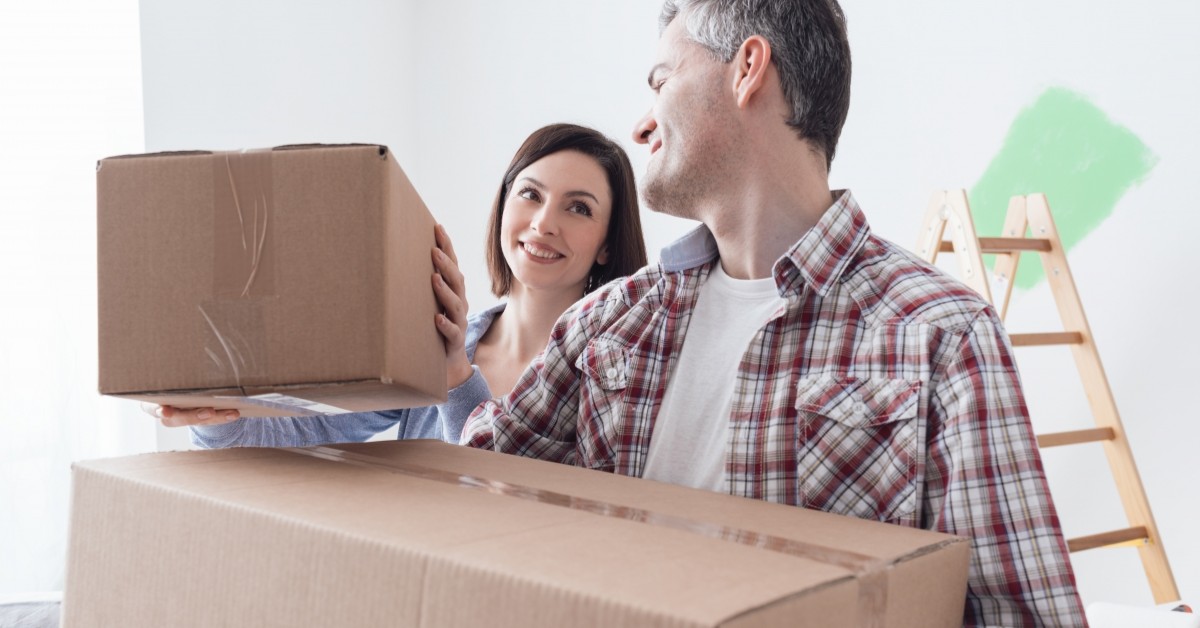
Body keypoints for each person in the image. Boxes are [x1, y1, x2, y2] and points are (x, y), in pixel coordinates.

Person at [460, 2, 1086, 626]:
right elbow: (470, 496)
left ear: (747, 69)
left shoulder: (941, 335)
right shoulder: (608, 322)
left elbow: (1023, 616)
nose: (642, 126)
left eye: (661, 82)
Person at [150, 123, 648, 448]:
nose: (543, 223)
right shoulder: (433, 342)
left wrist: (457, 375)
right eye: (530, 194)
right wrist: (220, 414)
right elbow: (305, 432)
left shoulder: (613, 374)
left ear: (607, 243)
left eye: (578, 207)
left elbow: (511, 499)